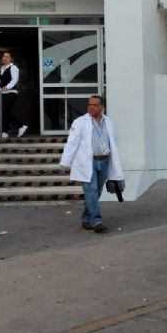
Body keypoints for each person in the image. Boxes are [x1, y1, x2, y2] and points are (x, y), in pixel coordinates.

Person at [59, 95, 124, 233]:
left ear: (102, 107)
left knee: (97, 191)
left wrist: (115, 162)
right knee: (91, 190)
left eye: (95, 105)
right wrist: (65, 162)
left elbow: (114, 142)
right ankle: (96, 221)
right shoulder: (80, 122)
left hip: (104, 161)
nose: (91, 107)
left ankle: (86, 217)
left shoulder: (109, 122)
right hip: (88, 162)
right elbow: (72, 143)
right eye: (89, 105)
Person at [0, 51, 27, 138]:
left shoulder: (13, 68)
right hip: (2, 93)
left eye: (7, 57)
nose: (5, 58)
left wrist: (7, 87)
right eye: (3, 56)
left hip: (11, 92)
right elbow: (0, 81)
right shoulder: (2, 68)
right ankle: (21, 126)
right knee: (5, 112)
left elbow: (14, 79)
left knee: (5, 111)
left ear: (11, 59)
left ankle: (5, 131)